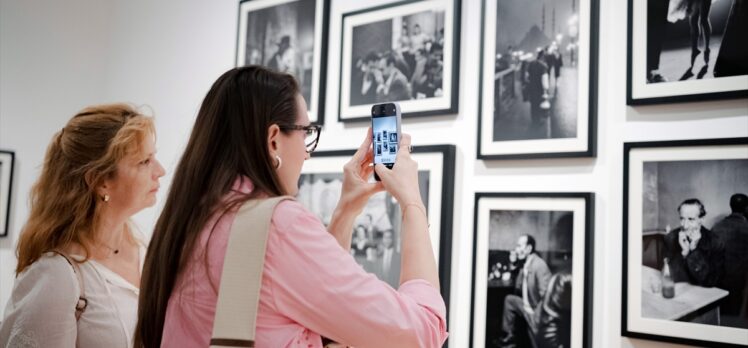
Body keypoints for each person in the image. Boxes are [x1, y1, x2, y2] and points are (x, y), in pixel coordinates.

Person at [134, 66, 447, 347]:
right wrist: (411, 202)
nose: (307, 153)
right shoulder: (277, 225)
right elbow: (420, 332)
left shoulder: (190, 217)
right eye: (306, 133)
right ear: (273, 139)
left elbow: (308, 299)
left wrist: (346, 211)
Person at [0, 104, 165, 347]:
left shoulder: (145, 251)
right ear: (100, 181)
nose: (160, 171)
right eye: (144, 162)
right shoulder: (57, 276)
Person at [499, 234, 553, 348]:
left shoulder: (539, 265)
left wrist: (535, 318)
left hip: (536, 311)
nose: (516, 250)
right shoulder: (526, 264)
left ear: (528, 249)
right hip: (527, 305)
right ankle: (509, 338)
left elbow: (547, 298)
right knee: (509, 300)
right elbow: (517, 286)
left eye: (519, 246)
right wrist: (514, 264)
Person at [663, 198, 725, 287]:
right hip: (679, 293)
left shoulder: (715, 241)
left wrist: (694, 251)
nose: (685, 225)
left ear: (701, 219)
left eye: (691, 219)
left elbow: (711, 281)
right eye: (682, 219)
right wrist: (684, 253)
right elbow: (669, 276)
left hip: (705, 296)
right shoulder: (671, 238)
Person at [712, 193, 748, 320]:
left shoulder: (717, 226)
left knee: (721, 313)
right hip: (739, 281)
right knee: (736, 315)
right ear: (746, 208)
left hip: (719, 279)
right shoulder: (746, 227)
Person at [525, 49, 550, 127]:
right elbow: (545, 82)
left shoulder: (531, 64)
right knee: (538, 105)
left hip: (531, 88)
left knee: (533, 105)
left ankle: (533, 120)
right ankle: (537, 122)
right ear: (543, 57)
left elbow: (526, 76)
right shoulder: (543, 66)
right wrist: (546, 90)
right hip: (539, 90)